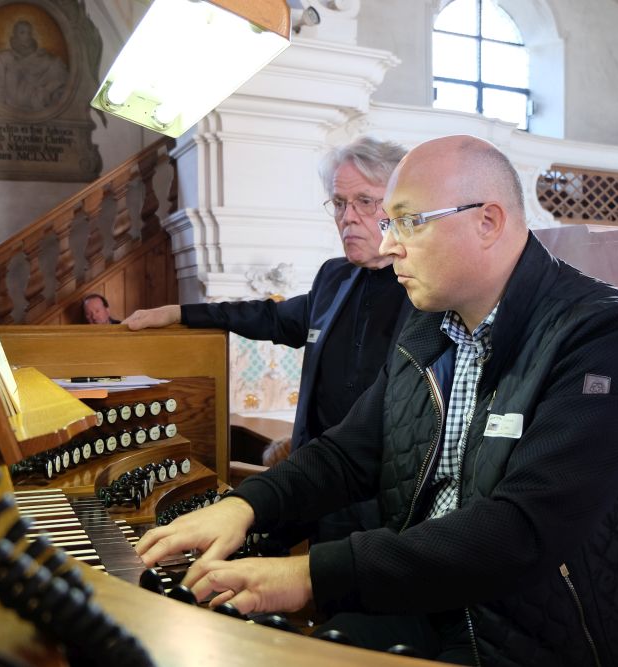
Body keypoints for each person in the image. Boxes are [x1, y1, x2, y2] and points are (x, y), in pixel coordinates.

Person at [136, 135, 618, 666]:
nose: (389, 244)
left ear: (487, 222)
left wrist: (309, 574)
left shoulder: (605, 334)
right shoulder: (430, 324)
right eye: (389, 223)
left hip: (535, 633)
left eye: (408, 221)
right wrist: (244, 506)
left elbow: (520, 532)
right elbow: (349, 453)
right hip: (425, 598)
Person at [124, 136, 413, 543]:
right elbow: (271, 317)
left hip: (385, 495)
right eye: (339, 203)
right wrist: (181, 313)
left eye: (365, 201)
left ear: (400, 206)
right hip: (319, 480)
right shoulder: (334, 277)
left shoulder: (426, 288)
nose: (348, 217)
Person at [0, 19, 68, 113]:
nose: (27, 36)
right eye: (22, 32)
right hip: (11, 104)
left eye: (29, 33)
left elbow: (59, 75)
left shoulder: (43, 57)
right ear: (15, 35)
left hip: (36, 102)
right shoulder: (4, 57)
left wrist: (47, 89)